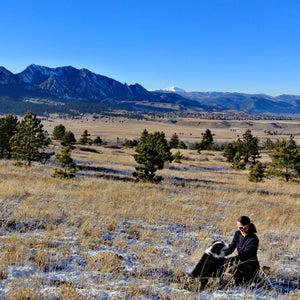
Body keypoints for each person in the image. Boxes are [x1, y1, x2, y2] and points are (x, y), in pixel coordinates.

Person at [224, 216, 260, 286]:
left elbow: (246, 255)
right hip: (239, 263)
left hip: (249, 267)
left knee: (241, 284)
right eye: (237, 227)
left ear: (247, 226)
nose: (239, 229)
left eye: (241, 227)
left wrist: (230, 260)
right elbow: (230, 248)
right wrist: (220, 254)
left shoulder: (253, 239)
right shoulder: (237, 234)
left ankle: (254, 279)